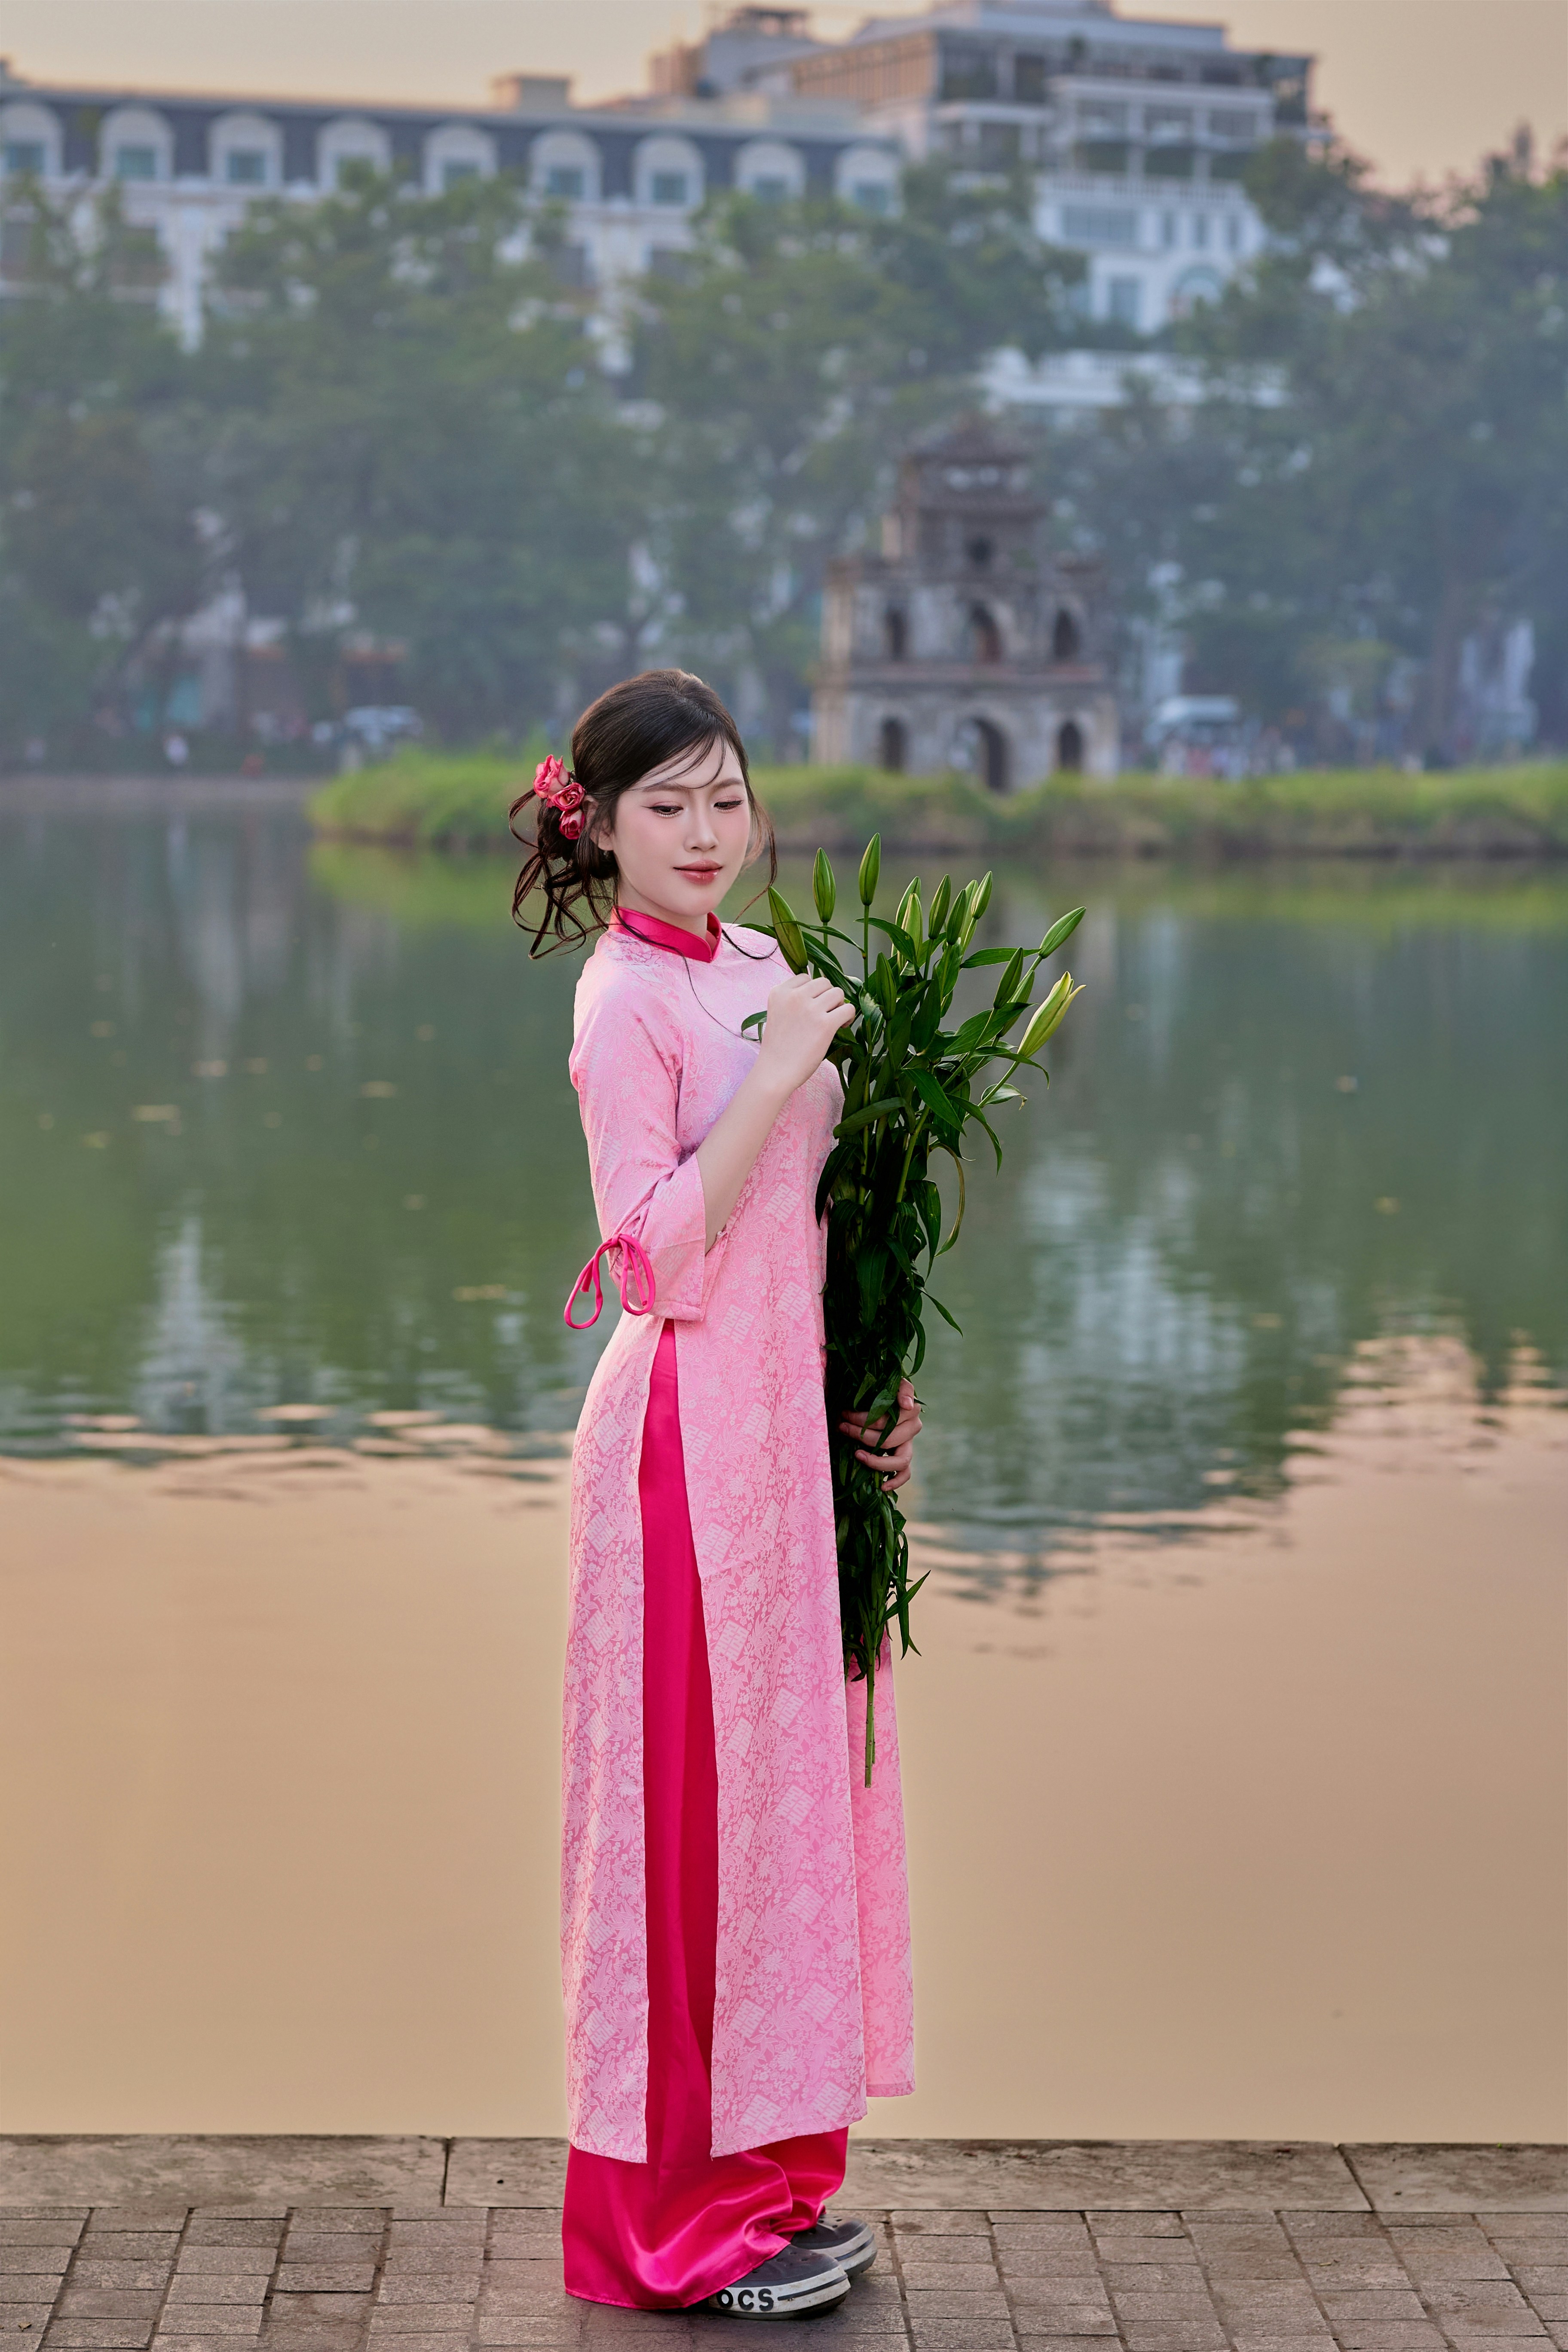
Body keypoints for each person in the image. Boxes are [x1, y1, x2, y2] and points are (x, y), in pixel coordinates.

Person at [512, 671, 918, 2320]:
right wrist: (772, 1075)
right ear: (599, 829)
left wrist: (871, 1393)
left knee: (777, 1820)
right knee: (686, 1832)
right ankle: (658, 2232)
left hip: (782, 1445)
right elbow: (655, 1260)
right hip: (681, 1446)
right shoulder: (624, 1004)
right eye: (664, 805)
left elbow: (814, 1227)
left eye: (726, 799)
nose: (703, 834)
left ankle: (764, 2185)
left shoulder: (767, 969)